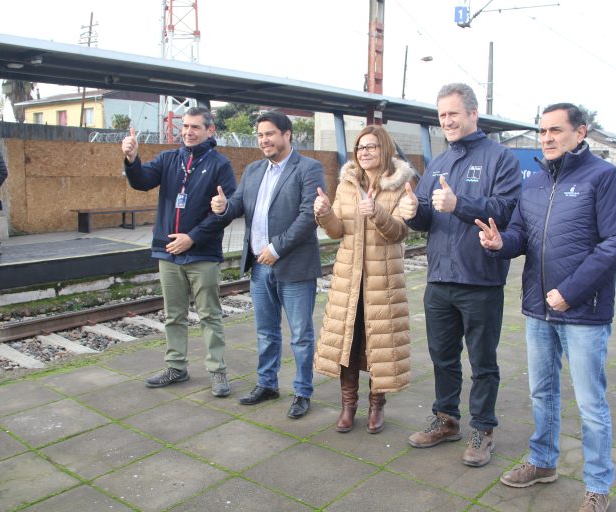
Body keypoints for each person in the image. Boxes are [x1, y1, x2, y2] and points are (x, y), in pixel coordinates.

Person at [476, 103, 616, 512]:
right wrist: (500, 244)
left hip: (583, 311)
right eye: (541, 131)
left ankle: (598, 484)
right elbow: (521, 236)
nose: (545, 138)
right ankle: (543, 461)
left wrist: (572, 291)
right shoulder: (534, 183)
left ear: (580, 133)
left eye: (555, 130)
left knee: (590, 403)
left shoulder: (605, 177)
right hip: (537, 308)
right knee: (541, 392)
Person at [399, 83, 521, 467]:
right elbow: (425, 217)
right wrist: (410, 210)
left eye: (453, 113)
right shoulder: (438, 162)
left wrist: (459, 204)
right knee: (442, 356)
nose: (447, 121)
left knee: (483, 361)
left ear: (472, 114)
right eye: (441, 116)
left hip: (481, 278)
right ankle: (446, 419)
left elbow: (505, 210)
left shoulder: (501, 158)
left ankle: (482, 430)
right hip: (439, 278)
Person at [211, 111, 325, 419]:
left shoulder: (309, 168)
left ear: (288, 135)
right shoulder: (252, 170)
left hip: (295, 267)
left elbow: (308, 216)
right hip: (259, 268)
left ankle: (302, 392)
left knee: (300, 334)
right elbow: (238, 205)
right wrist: (223, 208)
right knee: (265, 331)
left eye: (270, 133)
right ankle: (267, 384)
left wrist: (276, 247)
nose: (265, 140)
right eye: (261, 135)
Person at [121, 106, 237, 396]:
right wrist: (132, 159)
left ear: (210, 131)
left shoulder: (220, 165)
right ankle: (176, 367)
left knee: (210, 315)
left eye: (195, 127)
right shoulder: (169, 159)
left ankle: (217, 371)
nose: (187, 132)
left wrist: (192, 238)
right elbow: (142, 181)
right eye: (185, 126)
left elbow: (226, 211)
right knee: (174, 315)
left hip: (202, 253)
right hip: (168, 252)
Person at [313, 125, 418, 434]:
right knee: (348, 343)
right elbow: (336, 231)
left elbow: (399, 233)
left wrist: (376, 213)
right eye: (360, 148)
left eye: (371, 147)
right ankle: (348, 406)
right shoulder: (347, 183)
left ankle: (376, 406)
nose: (364, 152)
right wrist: (323, 213)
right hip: (348, 279)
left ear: (384, 149)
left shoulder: (400, 185)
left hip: (383, 281)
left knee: (379, 346)